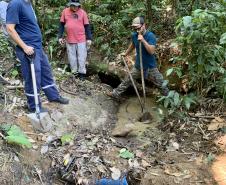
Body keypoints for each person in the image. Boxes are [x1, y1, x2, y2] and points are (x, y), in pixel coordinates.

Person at [6, 0, 69, 112]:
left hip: (37, 47)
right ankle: (34, 107)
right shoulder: (16, 3)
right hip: (28, 49)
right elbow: (10, 29)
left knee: (46, 72)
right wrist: (25, 47)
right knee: (32, 76)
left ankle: (53, 96)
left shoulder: (28, 4)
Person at [107, 16, 169, 99]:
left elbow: (151, 51)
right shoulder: (134, 35)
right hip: (138, 66)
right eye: (134, 29)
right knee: (127, 80)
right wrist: (126, 53)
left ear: (143, 25)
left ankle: (170, 100)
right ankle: (115, 94)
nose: (136, 30)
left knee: (161, 84)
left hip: (150, 67)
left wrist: (143, 40)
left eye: (138, 28)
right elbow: (133, 44)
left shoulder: (150, 36)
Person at [58, 0, 92, 80]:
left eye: (76, 6)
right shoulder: (65, 11)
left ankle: (82, 74)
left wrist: (89, 38)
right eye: (73, 5)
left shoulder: (83, 12)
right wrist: (60, 36)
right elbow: (61, 25)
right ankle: (74, 73)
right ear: (70, 5)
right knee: (71, 57)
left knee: (82, 57)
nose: (75, 7)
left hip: (81, 39)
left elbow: (87, 26)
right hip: (69, 39)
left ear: (79, 5)